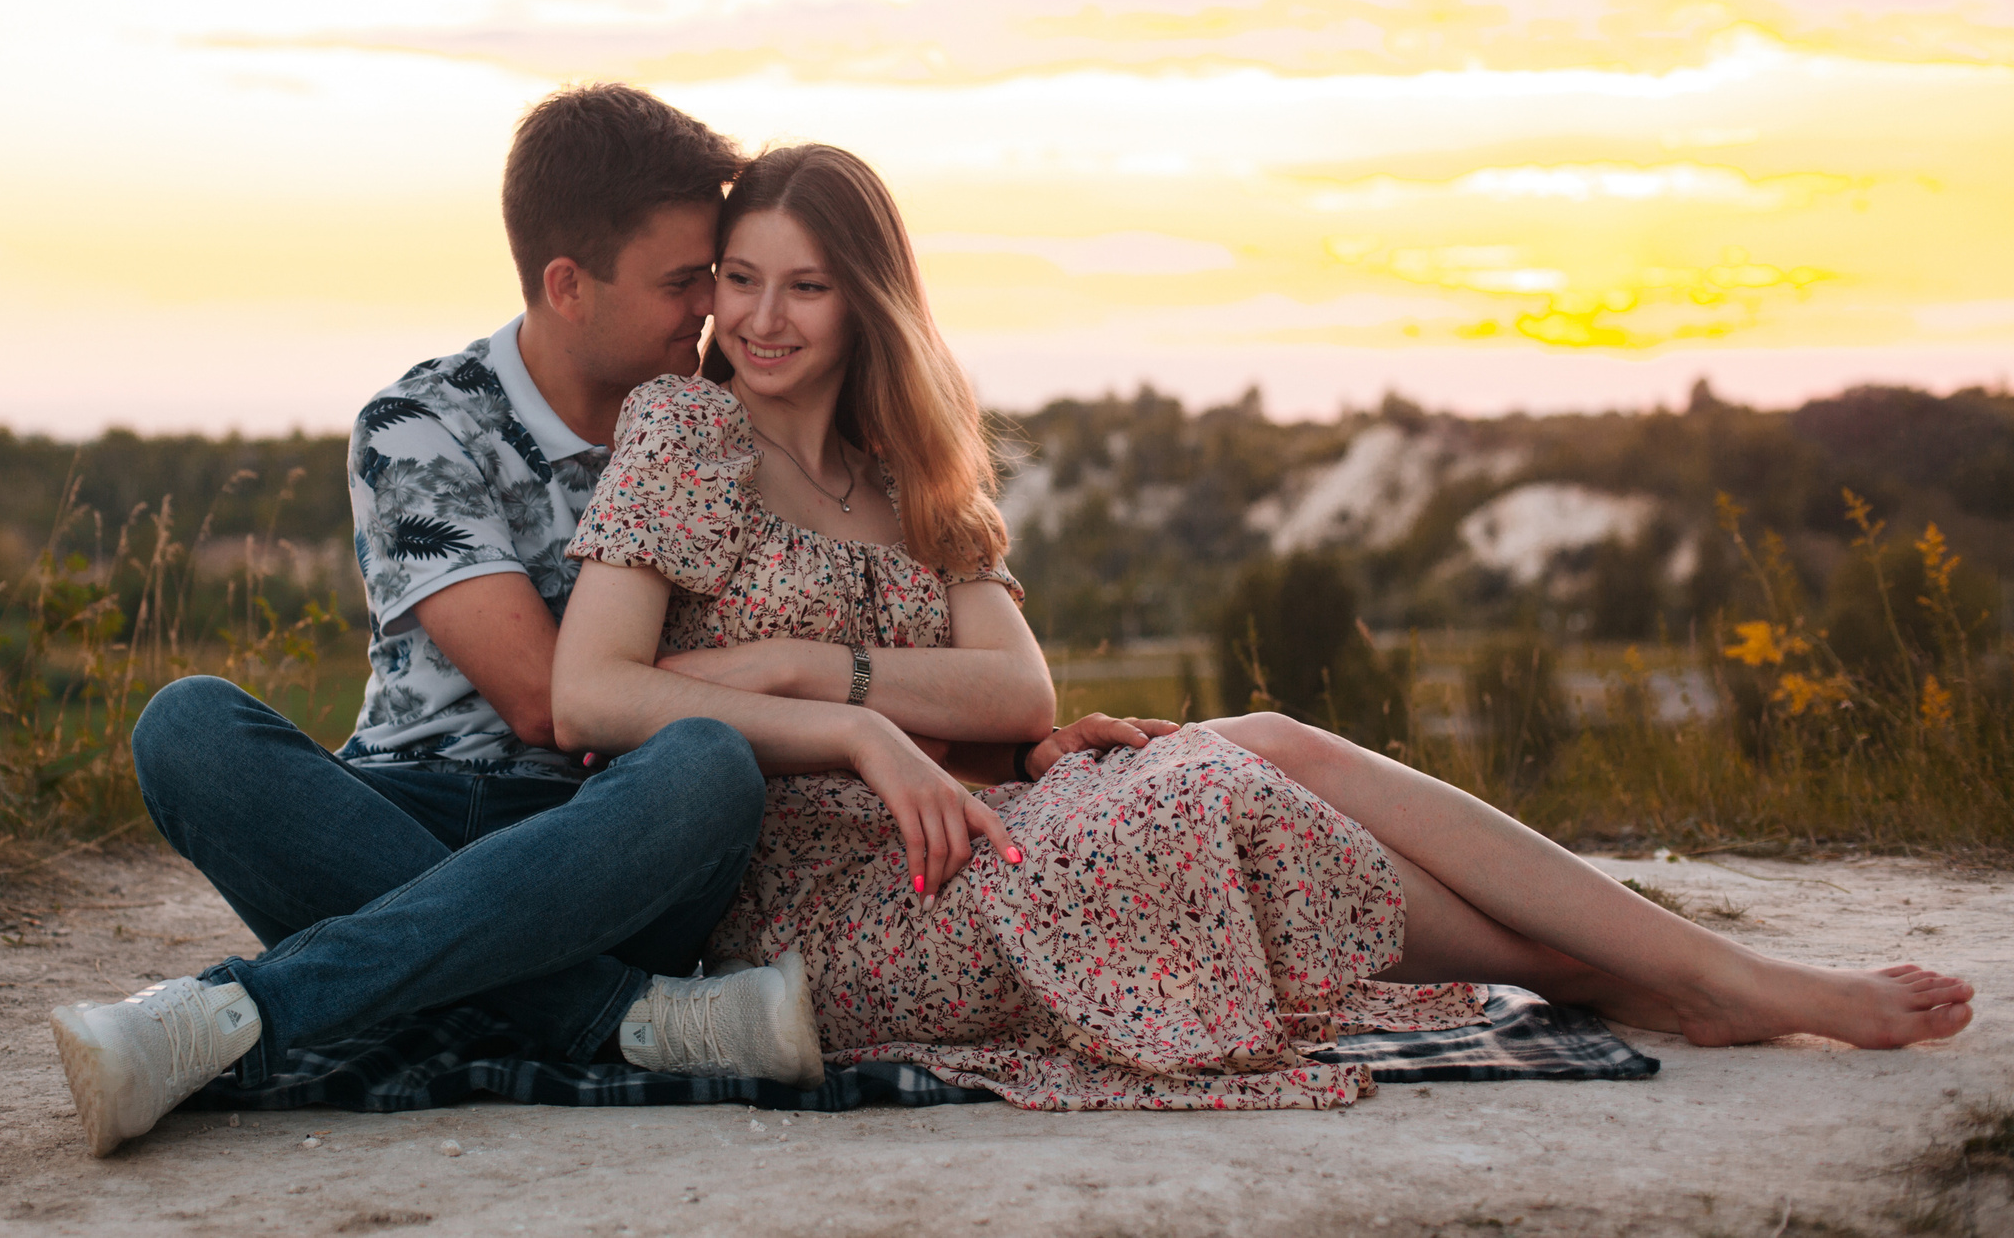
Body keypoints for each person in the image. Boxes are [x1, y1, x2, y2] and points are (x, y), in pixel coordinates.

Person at [550, 142, 1977, 1109]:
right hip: (831, 906)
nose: (761, 316)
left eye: (804, 283)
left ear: (867, 301)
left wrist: (813, 661)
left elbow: (1016, 686)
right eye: (740, 277)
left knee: (1276, 737)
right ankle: (1672, 975)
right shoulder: (688, 433)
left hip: (986, 826)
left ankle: (1696, 972)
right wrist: (856, 724)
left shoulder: (909, 460)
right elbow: (594, 693)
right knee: (1206, 792)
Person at [50, 86, 822, 1159]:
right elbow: (550, 706)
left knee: (708, 768)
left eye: (715, 274)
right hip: (398, 819)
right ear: (567, 285)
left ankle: (240, 1015)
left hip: (609, 841)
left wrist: (1015, 739)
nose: (713, 309)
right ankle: (629, 1019)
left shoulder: (725, 423)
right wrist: (774, 675)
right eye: (682, 281)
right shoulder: (422, 424)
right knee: (186, 729)